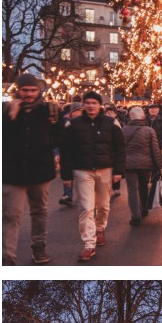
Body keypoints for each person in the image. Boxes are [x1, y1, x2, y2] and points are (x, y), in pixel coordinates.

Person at [2, 73, 62, 265]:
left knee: (39, 211)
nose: (28, 94)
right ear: (18, 90)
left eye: (33, 90)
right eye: (25, 90)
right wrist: (8, 117)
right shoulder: (4, 110)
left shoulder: (49, 110)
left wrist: (46, 145)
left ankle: (39, 247)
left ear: (39, 91)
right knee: (10, 214)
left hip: (40, 170)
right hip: (12, 172)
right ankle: (7, 256)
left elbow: (59, 136)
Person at [60, 90, 126, 261]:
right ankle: (89, 243)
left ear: (100, 105)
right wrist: (66, 175)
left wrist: (119, 171)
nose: (90, 106)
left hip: (105, 169)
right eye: (87, 103)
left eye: (94, 103)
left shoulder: (111, 123)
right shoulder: (73, 124)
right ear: (83, 105)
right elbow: (66, 151)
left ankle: (100, 227)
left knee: (103, 205)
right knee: (86, 207)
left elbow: (120, 148)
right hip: (82, 170)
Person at [122, 106, 162, 226]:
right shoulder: (149, 130)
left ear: (130, 116)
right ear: (143, 116)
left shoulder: (124, 130)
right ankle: (144, 208)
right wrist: (159, 165)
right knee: (144, 186)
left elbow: (120, 149)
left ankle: (135, 216)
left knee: (132, 190)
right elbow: (155, 150)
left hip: (128, 164)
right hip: (146, 164)